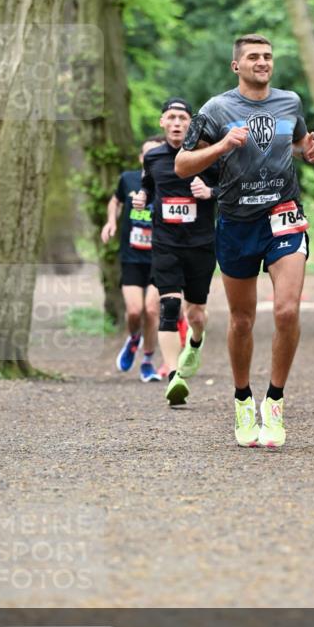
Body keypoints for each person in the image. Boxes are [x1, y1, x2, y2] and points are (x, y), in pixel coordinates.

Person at [175, 33, 314, 449]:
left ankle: (274, 401)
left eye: (267, 56)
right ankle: (243, 398)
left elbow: (296, 144)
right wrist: (222, 145)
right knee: (242, 319)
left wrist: (311, 152)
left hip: (283, 216)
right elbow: (182, 164)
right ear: (236, 66)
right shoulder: (216, 109)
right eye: (254, 57)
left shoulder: (290, 102)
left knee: (286, 310)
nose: (263, 62)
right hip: (237, 222)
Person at [133, 98, 218, 406]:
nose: (177, 122)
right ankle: (174, 376)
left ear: (190, 123)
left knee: (195, 313)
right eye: (172, 117)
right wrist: (143, 196)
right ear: (162, 123)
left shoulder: (207, 154)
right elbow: (148, 186)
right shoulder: (153, 157)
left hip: (201, 244)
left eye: (183, 117)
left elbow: (231, 188)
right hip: (166, 243)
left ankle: (195, 342)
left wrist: (210, 192)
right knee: (168, 306)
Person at [101, 138, 164, 382]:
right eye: (147, 155)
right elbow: (115, 201)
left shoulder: (167, 181)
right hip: (131, 256)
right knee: (134, 312)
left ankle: (147, 362)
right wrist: (111, 222)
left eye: (156, 155)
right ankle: (133, 338)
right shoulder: (128, 179)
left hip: (159, 256)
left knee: (151, 310)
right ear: (141, 158)